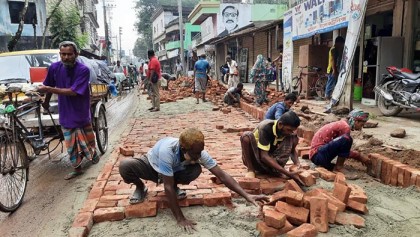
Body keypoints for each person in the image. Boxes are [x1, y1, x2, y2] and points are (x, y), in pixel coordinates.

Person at [119, 128, 268, 233]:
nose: (199, 156)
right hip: (152, 167)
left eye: (200, 151)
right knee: (125, 166)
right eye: (196, 153)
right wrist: (180, 219)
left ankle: (176, 184)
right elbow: (167, 188)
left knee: (195, 169)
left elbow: (222, 175)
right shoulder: (167, 151)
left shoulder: (198, 152)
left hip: (173, 171)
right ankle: (140, 187)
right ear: (184, 148)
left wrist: (247, 195)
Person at [37, 41, 99, 180]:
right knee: (70, 143)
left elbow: (73, 92)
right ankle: (77, 168)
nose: (65, 57)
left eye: (69, 54)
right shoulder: (54, 68)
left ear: (76, 54)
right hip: (65, 110)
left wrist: (49, 90)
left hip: (80, 110)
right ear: (60, 54)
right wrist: (46, 102)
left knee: (87, 137)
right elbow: (49, 85)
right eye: (63, 54)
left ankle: (92, 153)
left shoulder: (83, 70)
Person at [240, 111, 303, 184]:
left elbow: (292, 151)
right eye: (288, 130)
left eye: (292, 130)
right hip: (257, 159)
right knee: (246, 136)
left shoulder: (289, 134)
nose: (290, 132)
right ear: (280, 125)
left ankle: (275, 170)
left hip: (273, 160)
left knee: (293, 136)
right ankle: (251, 170)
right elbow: (264, 156)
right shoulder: (266, 128)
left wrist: (297, 164)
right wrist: (287, 173)